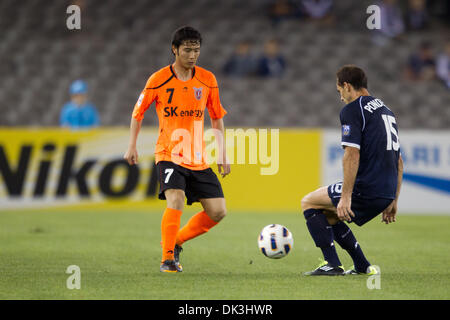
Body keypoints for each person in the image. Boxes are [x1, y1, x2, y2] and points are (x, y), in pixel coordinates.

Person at [124, 26, 230, 273]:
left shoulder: (208, 80)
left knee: (218, 211)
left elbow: (216, 118)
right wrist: (132, 145)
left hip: (198, 158)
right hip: (169, 153)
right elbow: (137, 114)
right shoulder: (158, 79)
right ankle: (167, 258)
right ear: (174, 49)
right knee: (176, 198)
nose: (192, 55)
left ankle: (176, 241)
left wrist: (223, 153)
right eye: (187, 50)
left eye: (196, 50)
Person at [300, 65, 403, 276]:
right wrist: (394, 199)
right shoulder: (386, 110)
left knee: (309, 202)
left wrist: (346, 196)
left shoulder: (353, 110)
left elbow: (351, 154)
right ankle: (362, 266)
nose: (340, 98)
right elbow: (399, 161)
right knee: (328, 216)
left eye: (339, 91)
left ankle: (332, 265)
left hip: (367, 188)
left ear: (347, 86)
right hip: (386, 191)